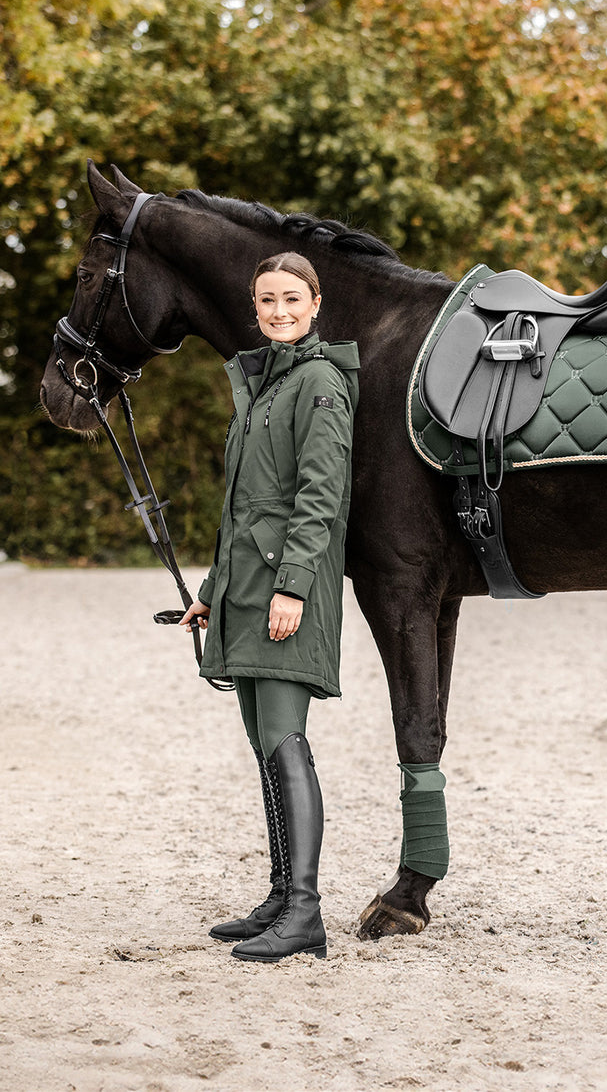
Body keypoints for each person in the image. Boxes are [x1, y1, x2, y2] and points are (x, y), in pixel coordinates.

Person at [180, 250, 360, 963]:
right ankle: (282, 896)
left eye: (291, 298)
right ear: (253, 308)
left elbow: (321, 497)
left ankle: (306, 914)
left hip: (290, 591)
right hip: (246, 589)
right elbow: (241, 509)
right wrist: (208, 592)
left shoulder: (319, 382)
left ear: (315, 303)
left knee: (286, 741)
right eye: (266, 301)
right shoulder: (262, 385)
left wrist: (291, 587)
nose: (278, 311)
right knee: (264, 745)